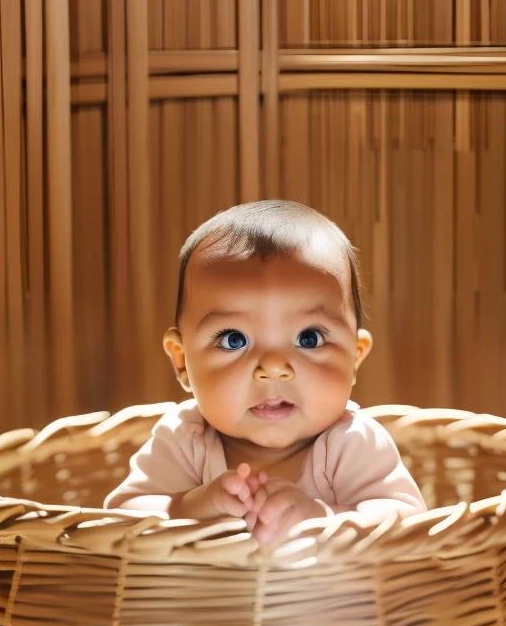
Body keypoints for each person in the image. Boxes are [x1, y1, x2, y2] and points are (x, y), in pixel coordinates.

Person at [104, 200, 425, 542]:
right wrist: (192, 505)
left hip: (331, 597)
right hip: (202, 596)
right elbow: (120, 518)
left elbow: (407, 521)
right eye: (233, 339)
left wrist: (322, 517)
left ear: (354, 359)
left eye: (309, 338)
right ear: (182, 361)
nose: (273, 368)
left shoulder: (351, 443)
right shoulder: (186, 438)